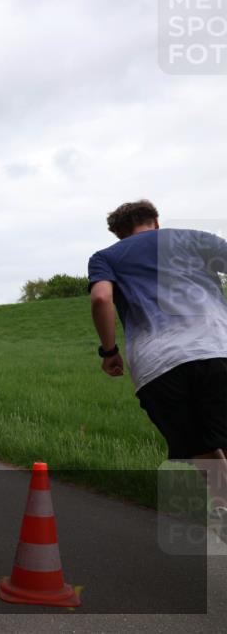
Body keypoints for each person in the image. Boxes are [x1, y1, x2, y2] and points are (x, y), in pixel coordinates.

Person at [88, 200, 227, 536]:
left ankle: (223, 507)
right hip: (216, 348)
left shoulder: (106, 257)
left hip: (157, 366)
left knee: (199, 446)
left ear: (119, 233)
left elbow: (101, 299)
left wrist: (109, 351)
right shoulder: (193, 238)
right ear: (156, 221)